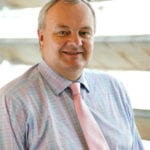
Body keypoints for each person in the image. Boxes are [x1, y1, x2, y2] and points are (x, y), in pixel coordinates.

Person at [0, 0, 144, 149]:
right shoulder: (12, 102)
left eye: (84, 33)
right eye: (63, 32)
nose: (76, 42)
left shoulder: (114, 89)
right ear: (42, 37)